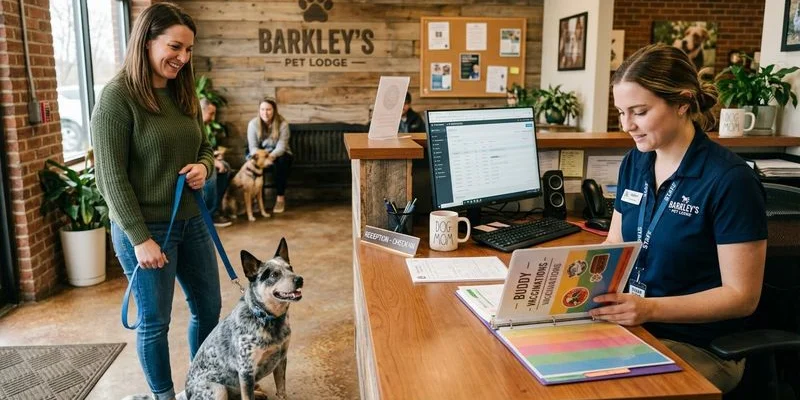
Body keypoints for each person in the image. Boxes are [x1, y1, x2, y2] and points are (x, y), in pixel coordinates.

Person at [593, 43, 767, 394]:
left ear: (683, 102)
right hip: (633, 326)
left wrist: (649, 309)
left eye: (639, 112)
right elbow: (616, 243)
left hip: (701, 347)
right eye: (621, 112)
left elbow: (741, 296)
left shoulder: (729, 180)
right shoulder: (635, 162)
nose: (627, 125)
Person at [90, 3, 221, 400]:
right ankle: (163, 397)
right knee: (154, 322)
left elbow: (206, 148)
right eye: (175, 47)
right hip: (147, 229)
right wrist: (138, 238)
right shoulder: (116, 100)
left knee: (208, 309)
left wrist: (203, 167)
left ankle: (200, 389)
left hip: (191, 220)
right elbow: (110, 179)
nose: (182, 58)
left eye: (188, 51)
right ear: (147, 41)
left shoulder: (183, 94)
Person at [247, 97, 293, 213]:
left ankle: (280, 198)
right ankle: (258, 200)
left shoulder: (283, 124)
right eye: (262, 109)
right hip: (260, 153)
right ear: (259, 110)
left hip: (280, 154)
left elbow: (281, 147)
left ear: (274, 110)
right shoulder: (253, 124)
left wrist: (269, 157)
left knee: (281, 162)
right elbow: (253, 147)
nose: (265, 113)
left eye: (268, 110)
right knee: (251, 162)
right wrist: (262, 157)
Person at [199, 98, 232, 227]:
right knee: (211, 171)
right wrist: (213, 162)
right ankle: (209, 215)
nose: (213, 118)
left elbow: (202, 149)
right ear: (201, 111)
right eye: (211, 113)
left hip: (202, 160)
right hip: (192, 165)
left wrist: (214, 156)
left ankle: (214, 209)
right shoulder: (192, 125)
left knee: (226, 167)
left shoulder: (204, 127)